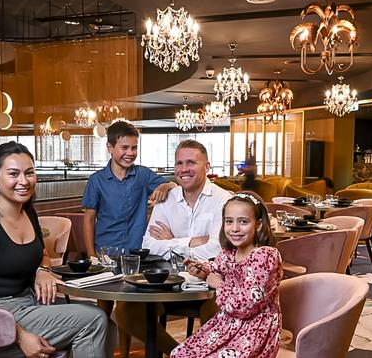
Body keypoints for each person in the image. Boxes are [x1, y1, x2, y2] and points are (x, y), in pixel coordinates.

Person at [0, 141, 116, 358]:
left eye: (29, 173)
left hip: (28, 305)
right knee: (95, 320)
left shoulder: (27, 213)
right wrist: (20, 335)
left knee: (108, 325)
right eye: (13, 174)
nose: (23, 181)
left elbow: (42, 256)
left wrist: (43, 271)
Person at [115, 139, 230, 356]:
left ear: (207, 166)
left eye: (191, 162)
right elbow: (148, 244)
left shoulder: (223, 200)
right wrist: (191, 240)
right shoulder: (167, 198)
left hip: (209, 283)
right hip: (166, 281)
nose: (184, 169)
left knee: (218, 312)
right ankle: (179, 353)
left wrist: (173, 240)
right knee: (125, 310)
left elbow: (216, 248)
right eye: (179, 163)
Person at [171, 191, 283, 358]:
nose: (235, 228)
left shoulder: (265, 256)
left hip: (254, 332)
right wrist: (201, 270)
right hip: (227, 325)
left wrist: (219, 284)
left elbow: (246, 307)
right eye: (229, 222)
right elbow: (214, 266)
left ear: (258, 225)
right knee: (179, 354)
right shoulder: (230, 253)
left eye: (243, 222)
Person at [82, 120, 175, 257]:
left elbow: (175, 188)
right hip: (105, 253)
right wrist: (91, 256)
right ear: (110, 147)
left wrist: (166, 185)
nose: (130, 153)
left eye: (134, 148)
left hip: (138, 252)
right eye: (124, 148)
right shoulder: (96, 180)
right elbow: (89, 220)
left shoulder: (143, 175)